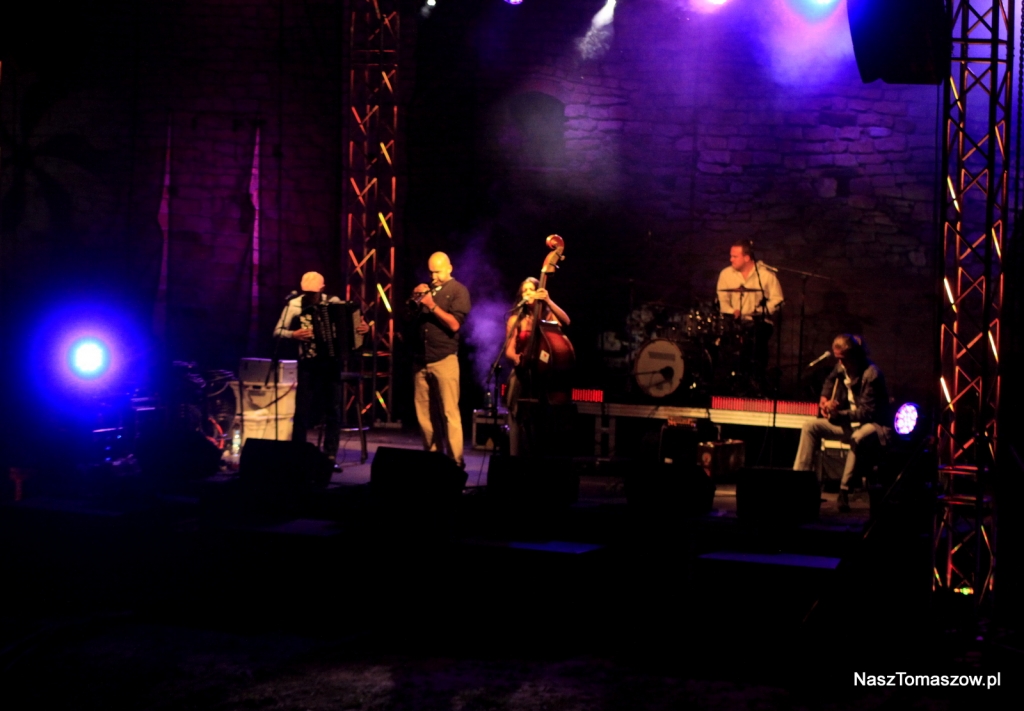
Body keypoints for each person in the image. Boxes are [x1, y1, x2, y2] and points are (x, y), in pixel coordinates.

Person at [273, 271, 367, 466]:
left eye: (313, 293)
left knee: (333, 409)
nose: (309, 296)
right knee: (302, 409)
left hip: (331, 363)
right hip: (308, 362)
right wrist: (294, 334)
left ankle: (330, 454)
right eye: (306, 292)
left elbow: (355, 326)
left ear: (322, 289)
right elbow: (278, 331)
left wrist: (363, 329)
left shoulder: (335, 303)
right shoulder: (294, 304)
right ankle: (298, 453)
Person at [793, 334, 892, 512]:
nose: (840, 363)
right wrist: (824, 400)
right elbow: (829, 380)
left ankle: (844, 491)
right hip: (848, 422)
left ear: (855, 355)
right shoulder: (842, 366)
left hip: (874, 425)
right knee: (810, 427)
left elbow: (867, 412)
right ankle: (798, 481)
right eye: (838, 358)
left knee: (858, 437)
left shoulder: (872, 374)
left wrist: (838, 414)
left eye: (843, 359)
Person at [409, 252, 472, 468]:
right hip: (421, 360)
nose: (433, 276)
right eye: (431, 272)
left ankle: (456, 463)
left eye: (437, 272)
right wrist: (415, 298)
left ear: (449, 268)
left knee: (449, 412)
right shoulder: (427, 290)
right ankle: (433, 459)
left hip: (444, 358)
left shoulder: (458, 291)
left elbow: (454, 324)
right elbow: (411, 320)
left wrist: (432, 304)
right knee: (425, 415)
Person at [504, 277, 571, 457]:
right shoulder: (515, 319)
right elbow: (509, 349)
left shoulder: (548, 317)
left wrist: (548, 300)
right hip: (522, 371)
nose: (527, 293)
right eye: (524, 291)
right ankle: (514, 456)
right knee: (515, 413)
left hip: (543, 374)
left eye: (530, 290)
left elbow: (566, 321)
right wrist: (515, 358)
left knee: (543, 417)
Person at [715, 239, 784, 392]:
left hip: (759, 322)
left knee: (757, 336)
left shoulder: (765, 275)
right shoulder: (726, 274)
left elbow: (778, 299)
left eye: (735, 256)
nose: (731, 259)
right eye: (731, 256)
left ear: (747, 257)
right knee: (725, 338)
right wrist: (732, 311)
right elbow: (722, 301)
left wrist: (761, 311)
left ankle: (755, 381)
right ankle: (729, 381)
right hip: (734, 321)